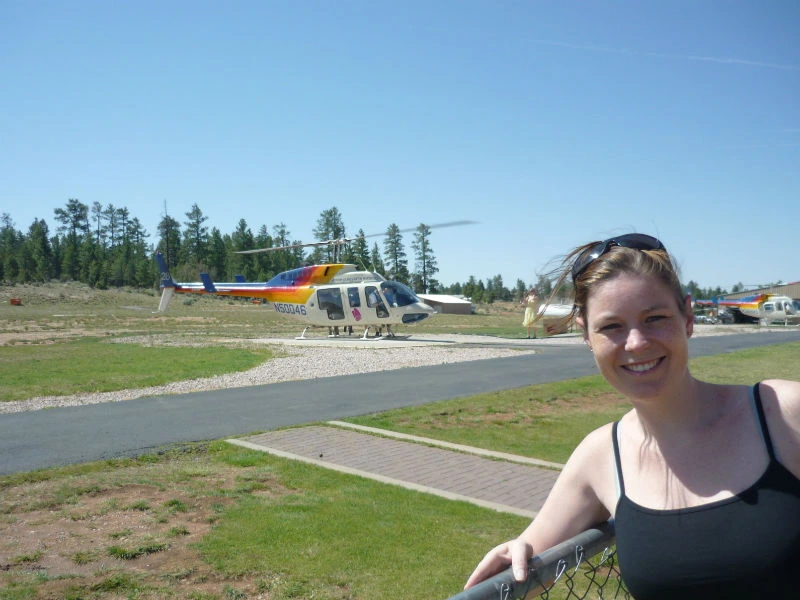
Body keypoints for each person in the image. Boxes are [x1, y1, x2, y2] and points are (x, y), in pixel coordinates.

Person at [465, 233, 800, 598]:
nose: (636, 343)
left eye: (654, 318)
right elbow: (530, 550)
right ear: (587, 337)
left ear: (687, 317)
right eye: (611, 326)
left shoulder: (782, 413)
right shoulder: (601, 456)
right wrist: (518, 549)